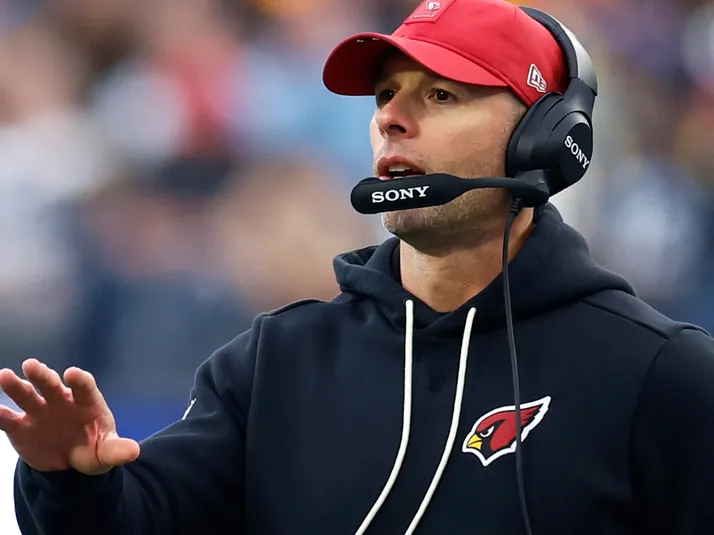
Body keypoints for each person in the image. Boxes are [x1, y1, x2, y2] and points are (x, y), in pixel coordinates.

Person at [3, 0, 714, 533]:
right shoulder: (273, 362)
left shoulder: (662, 375)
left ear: (545, 138)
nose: (391, 119)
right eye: (385, 95)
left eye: (441, 94)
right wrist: (70, 478)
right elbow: (136, 518)